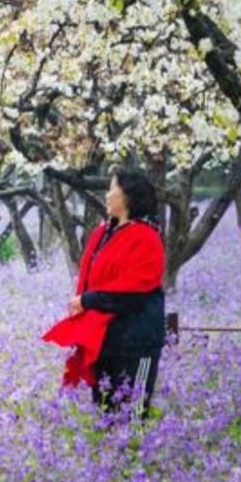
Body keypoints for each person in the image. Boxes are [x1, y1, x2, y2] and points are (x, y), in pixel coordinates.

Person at [43, 168, 166, 416]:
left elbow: (133, 290)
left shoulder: (146, 238)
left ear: (128, 196)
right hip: (104, 339)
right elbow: (91, 277)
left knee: (133, 415)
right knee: (105, 414)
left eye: (112, 189)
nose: (107, 195)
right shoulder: (104, 233)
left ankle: (135, 455)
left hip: (136, 340)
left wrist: (88, 300)